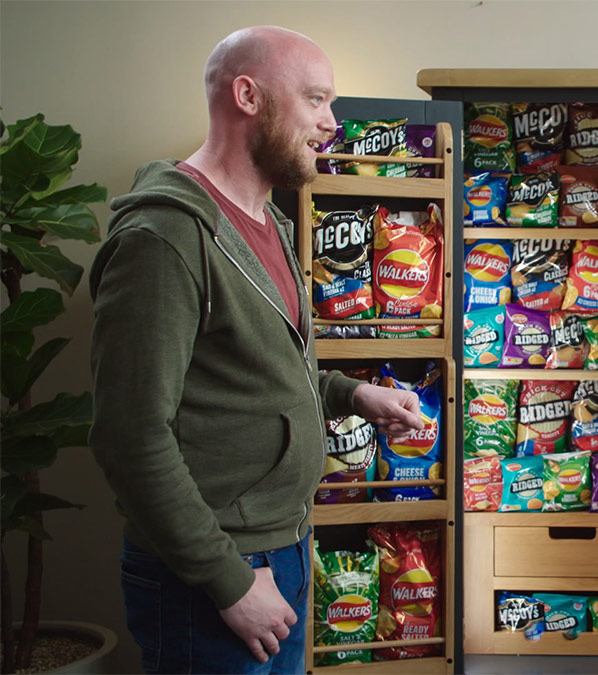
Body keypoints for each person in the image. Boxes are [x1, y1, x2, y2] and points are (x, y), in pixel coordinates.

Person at [89, 26, 423, 674]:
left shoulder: (271, 223)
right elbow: (128, 435)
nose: (332, 123)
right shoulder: (165, 237)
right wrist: (229, 581)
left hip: (285, 550)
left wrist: (352, 393)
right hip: (212, 574)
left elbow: (260, 373)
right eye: (317, 100)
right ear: (248, 95)